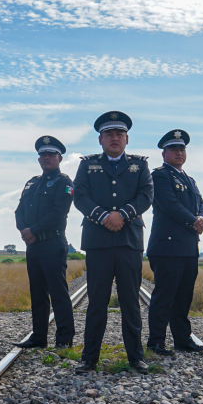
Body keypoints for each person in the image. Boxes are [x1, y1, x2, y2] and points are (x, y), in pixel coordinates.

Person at [72, 111, 154, 375]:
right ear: (100, 139)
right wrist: (105, 216)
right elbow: (80, 196)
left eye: (119, 134)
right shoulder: (87, 165)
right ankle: (89, 358)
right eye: (109, 134)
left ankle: (136, 357)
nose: (114, 138)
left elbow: (146, 195)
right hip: (98, 241)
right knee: (96, 301)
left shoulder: (140, 165)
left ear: (127, 139)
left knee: (130, 301)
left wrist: (123, 215)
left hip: (129, 241)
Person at [146, 129, 203, 356]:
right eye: (174, 149)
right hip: (167, 247)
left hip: (188, 248)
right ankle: (156, 342)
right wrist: (193, 220)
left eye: (182, 149)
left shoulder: (189, 180)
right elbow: (169, 204)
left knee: (184, 297)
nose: (179, 153)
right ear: (164, 154)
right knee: (165, 296)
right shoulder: (160, 176)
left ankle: (183, 340)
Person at [13, 136, 76, 349]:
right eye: (43, 154)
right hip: (33, 245)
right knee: (38, 294)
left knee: (58, 293)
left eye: (51, 154)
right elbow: (19, 210)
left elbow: (59, 213)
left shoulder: (64, 183)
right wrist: (24, 231)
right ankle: (38, 337)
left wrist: (33, 230)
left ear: (59, 158)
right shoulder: (32, 183)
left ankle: (64, 339)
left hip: (52, 243)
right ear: (39, 159)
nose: (46, 157)